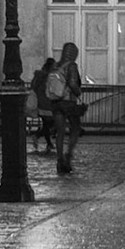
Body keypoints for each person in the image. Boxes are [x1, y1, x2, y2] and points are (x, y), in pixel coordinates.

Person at [48, 41, 83, 174]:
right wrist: (78, 92)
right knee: (75, 127)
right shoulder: (71, 66)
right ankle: (68, 155)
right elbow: (73, 84)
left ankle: (59, 159)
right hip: (68, 102)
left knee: (60, 132)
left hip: (55, 102)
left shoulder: (56, 65)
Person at [30, 57, 57, 154]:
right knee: (51, 122)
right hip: (46, 103)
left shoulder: (39, 75)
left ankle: (48, 142)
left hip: (41, 102)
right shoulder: (47, 76)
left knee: (46, 123)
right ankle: (38, 136)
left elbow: (33, 86)